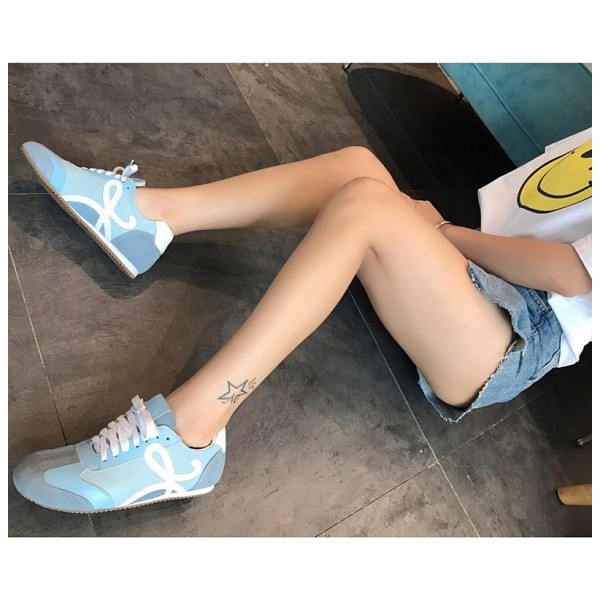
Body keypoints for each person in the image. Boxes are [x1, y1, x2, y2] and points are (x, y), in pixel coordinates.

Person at [13, 128, 592, 513]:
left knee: (366, 205)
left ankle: (190, 438)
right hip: (494, 275)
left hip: (513, 337)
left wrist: (441, 232)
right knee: (357, 167)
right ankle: (146, 219)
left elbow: (571, 275)